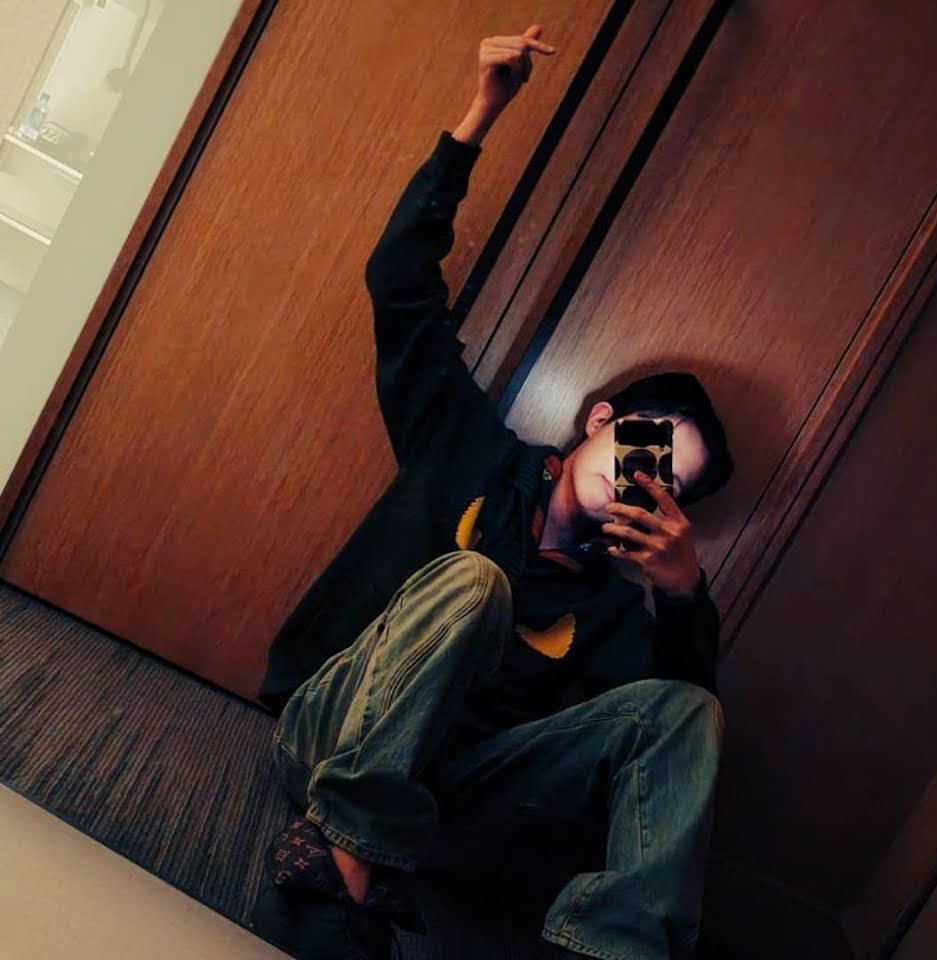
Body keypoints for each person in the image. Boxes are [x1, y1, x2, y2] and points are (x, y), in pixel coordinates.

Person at [252, 24, 734, 960]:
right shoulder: (469, 448)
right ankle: (346, 860)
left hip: (454, 804)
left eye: (670, 480)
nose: (643, 478)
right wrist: (480, 114)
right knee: (476, 581)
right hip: (332, 734)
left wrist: (683, 597)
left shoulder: (610, 607)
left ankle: (608, 950)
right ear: (601, 419)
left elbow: (658, 752)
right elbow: (399, 286)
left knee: (690, 711)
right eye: (644, 447)